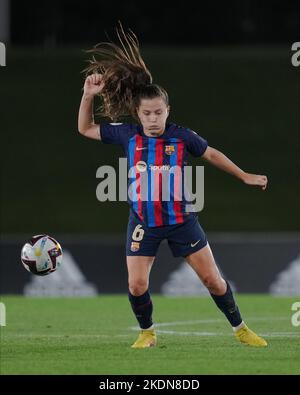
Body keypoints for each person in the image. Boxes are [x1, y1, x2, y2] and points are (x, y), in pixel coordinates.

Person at [78, 24, 268, 348]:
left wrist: (244, 175)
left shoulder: (182, 137)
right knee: (136, 284)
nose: (153, 119)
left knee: (213, 280)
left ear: (168, 110)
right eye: (147, 113)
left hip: (182, 220)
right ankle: (147, 333)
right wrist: (87, 95)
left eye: (159, 112)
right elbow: (85, 128)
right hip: (143, 221)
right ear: (138, 114)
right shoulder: (127, 134)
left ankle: (241, 329)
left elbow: (212, 154)